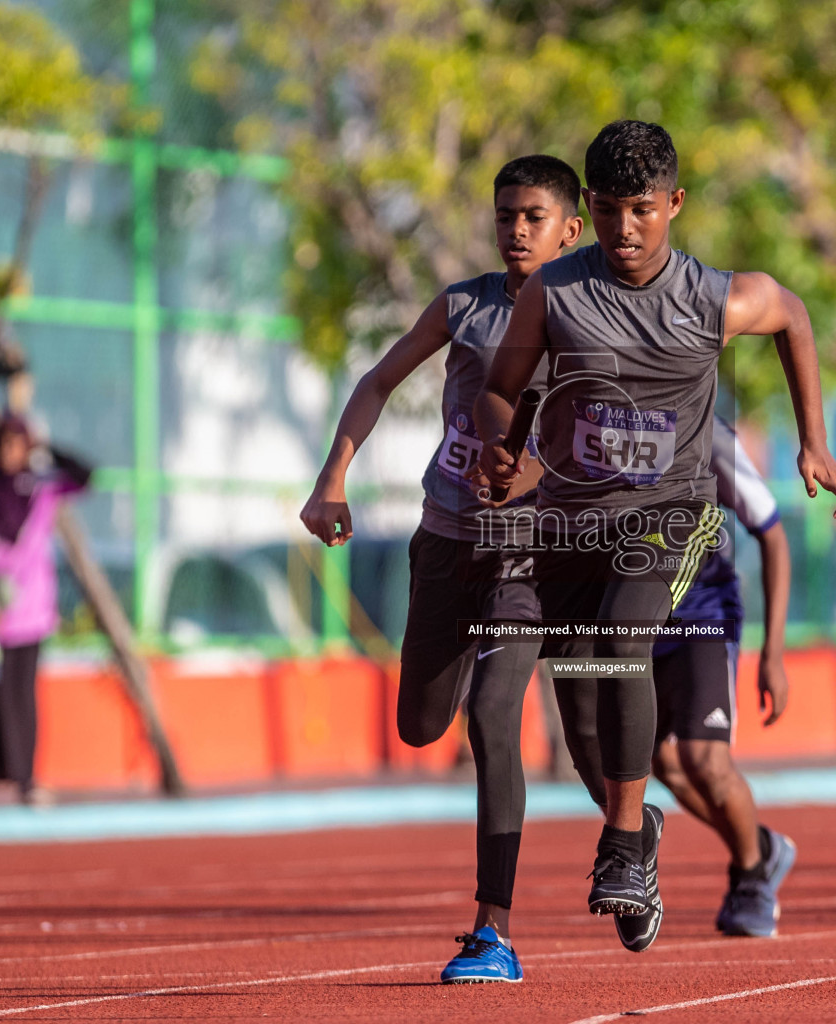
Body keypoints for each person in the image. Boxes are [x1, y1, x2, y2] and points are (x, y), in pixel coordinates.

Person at [477, 120, 836, 946]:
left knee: (624, 639)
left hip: (672, 516)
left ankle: (622, 847)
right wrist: (503, 448)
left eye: (642, 210)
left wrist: (814, 443)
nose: (623, 230)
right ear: (587, 207)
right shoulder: (554, 293)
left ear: (675, 205)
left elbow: (794, 317)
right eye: (608, 210)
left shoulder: (716, 297)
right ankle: (638, 824)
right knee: (583, 713)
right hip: (575, 524)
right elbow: (501, 389)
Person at [299, 155, 584, 984]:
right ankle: (632, 820)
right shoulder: (463, 305)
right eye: (506, 215)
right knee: (421, 725)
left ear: (571, 230)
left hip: (528, 557)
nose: (517, 230)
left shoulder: (593, 323)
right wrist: (331, 479)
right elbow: (380, 379)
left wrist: (547, 477)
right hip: (445, 542)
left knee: (494, 717)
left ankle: (492, 931)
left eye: (534, 217)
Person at [649, 416, 796, 938]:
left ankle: (753, 874)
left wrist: (772, 655)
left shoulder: (706, 433)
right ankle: (760, 844)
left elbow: (772, 534)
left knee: (704, 758)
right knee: (660, 761)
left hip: (703, 615)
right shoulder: (593, 418)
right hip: (636, 618)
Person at [0, 416, 91, 805]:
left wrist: (45, 449)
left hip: (29, 614)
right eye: (3, 444)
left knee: (21, 697)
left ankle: (24, 777)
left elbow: (85, 475)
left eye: (18, 445)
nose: (9, 453)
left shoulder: (41, 488)